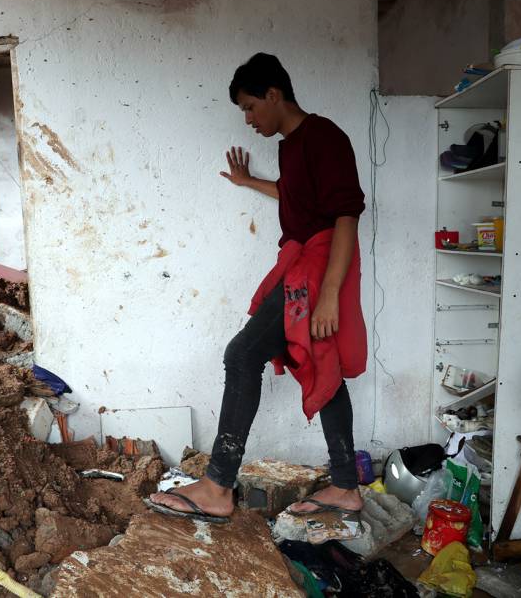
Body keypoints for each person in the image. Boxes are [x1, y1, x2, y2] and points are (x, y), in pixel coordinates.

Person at [147, 52, 367, 523]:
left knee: (243, 354)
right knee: (321, 363)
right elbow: (296, 196)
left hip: (321, 267)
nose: (248, 119)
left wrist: (329, 293)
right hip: (304, 264)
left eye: (250, 107)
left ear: (274, 94)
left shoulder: (325, 136)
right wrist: (250, 182)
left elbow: (346, 216)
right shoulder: (292, 145)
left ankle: (218, 485)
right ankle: (347, 487)